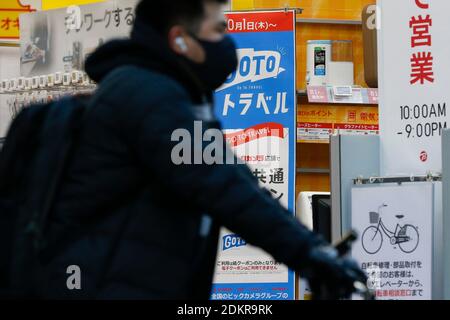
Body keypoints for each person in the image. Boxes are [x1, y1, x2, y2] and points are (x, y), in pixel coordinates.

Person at [37, 0, 366, 299]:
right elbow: (225, 185)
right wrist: (311, 255)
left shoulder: (157, 90)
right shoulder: (149, 96)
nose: (226, 44)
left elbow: (230, 179)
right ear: (179, 39)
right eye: (218, 30)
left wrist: (311, 251)